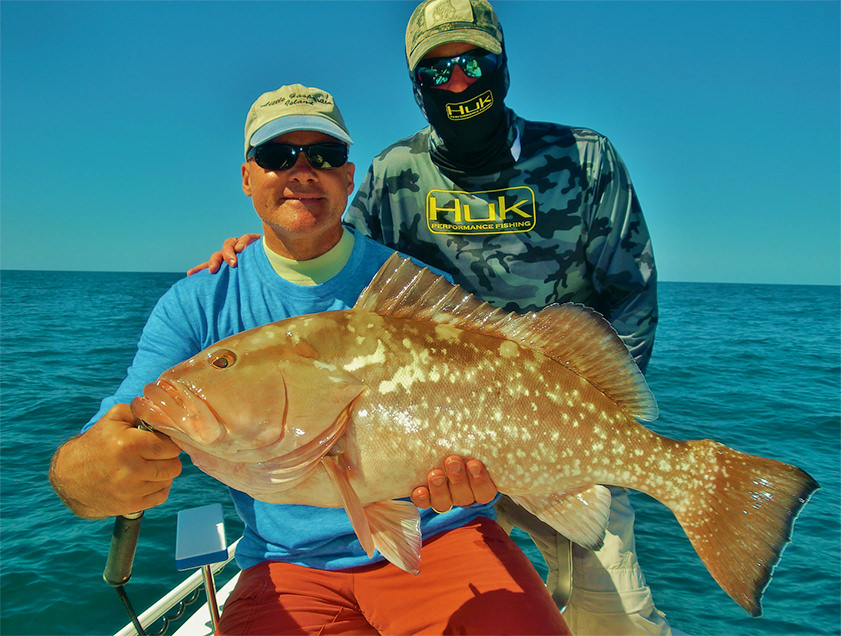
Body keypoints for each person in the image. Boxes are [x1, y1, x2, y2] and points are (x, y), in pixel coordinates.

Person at [192, 1, 668, 634]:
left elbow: (631, 294)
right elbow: (345, 277)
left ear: (502, 64)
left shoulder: (586, 159)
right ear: (418, 88)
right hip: (431, 453)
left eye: (474, 61)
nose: (461, 81)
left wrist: (581, 415)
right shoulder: (394, 174)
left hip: (559, 431)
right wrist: (266, 242)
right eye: (438, 72)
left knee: (620, 621)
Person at [48, 83, 570, 635]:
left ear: (347, 178)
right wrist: (97, 474)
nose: (301, 170)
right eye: (276, 156)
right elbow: (101, 447)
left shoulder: (415, 293)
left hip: (444, 533)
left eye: (322, 155)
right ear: (248, 177)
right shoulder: (200, 304)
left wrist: (491, 478)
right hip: (285, 562)